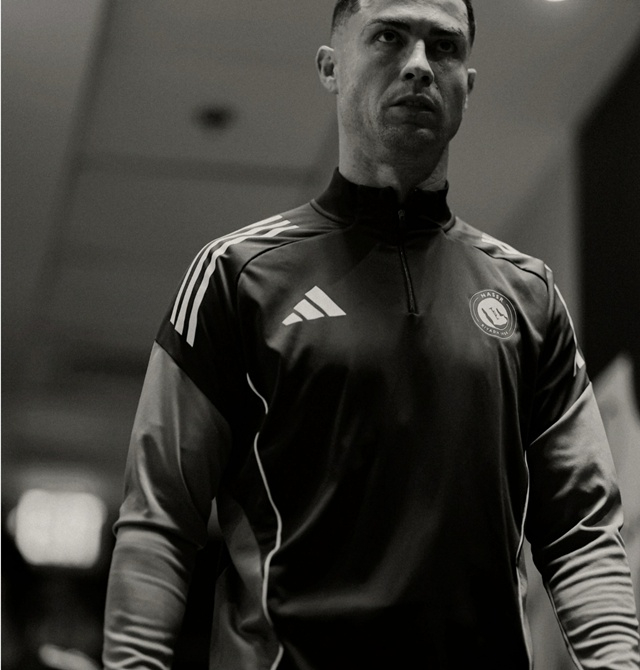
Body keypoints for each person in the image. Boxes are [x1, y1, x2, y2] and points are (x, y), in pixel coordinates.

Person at [102, 0, 640, 668]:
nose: (418, 65)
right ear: (331, 68)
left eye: (444, 47)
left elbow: (583, 535)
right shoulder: (236, 276)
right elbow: (159, 521)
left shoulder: (530, 296)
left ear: (468, 84)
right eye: (389, 36)